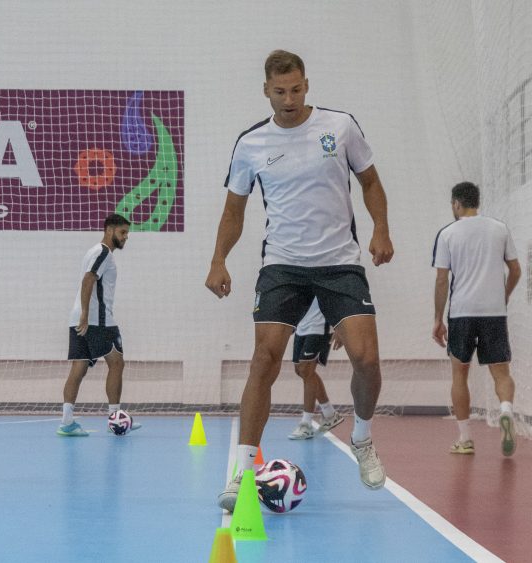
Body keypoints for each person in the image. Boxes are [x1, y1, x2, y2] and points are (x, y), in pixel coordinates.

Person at [206, 49, 394, 511]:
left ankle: (363, 439)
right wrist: (218, 260)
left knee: (366, 359)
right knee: (263, 360)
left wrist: (381, 229)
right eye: (279, 91)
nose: (288, 99)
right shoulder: (250, 144)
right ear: (266, 91)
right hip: (283, 264)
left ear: (306, 85)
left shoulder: (340, 127)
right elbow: (235, 209)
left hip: (339, 261)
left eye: (295, 89)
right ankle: (242, 472)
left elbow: (370, 181)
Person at [432, 181, 520, 456]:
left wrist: (437, 318)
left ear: (457, 203)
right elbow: (515, 270)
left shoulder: (447, 233)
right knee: (501, 371)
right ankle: (505, 410)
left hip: (462, 312)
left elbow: (441, 280)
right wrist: (503, 296)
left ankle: (465, 439)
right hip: (494, 311)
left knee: (460, 374)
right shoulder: (499, 228)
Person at [57, 214, 141, 437]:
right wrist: (86, 314)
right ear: (109, 230)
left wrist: (81, 315)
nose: (125, 237)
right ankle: (116, 418)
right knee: (117, 363)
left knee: (79, 368)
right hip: (97, 320)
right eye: (122, 233)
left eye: (127, 234)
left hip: (79, 318)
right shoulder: (103, 252)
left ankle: (66, 422)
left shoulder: (94, 251)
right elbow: (88, 279)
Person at [288, 298, 344, 440]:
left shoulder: (326, 276)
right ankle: (330, 414)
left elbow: (337, 299)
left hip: (319, 328)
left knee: (307, 371)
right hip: (301, 327)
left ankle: (306, 424)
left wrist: (339, 327)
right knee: (300, 370)